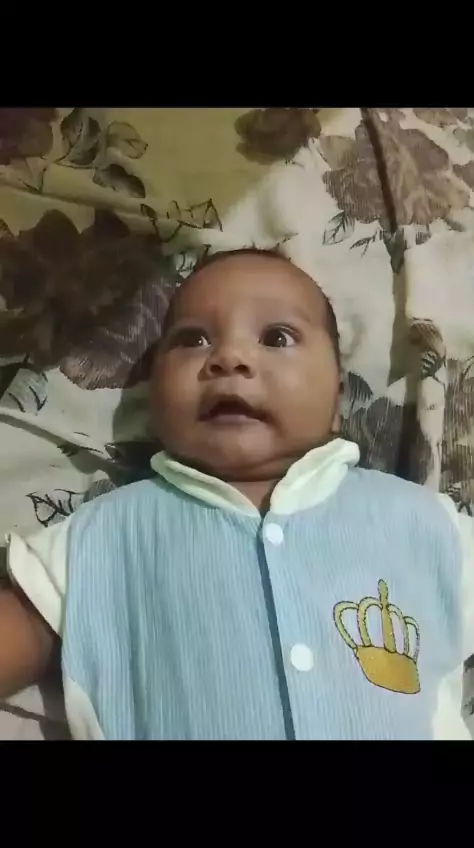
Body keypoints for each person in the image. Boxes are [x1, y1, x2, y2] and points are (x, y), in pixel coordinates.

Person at [2, 248, 474, 740]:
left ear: (338, 395)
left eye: (277, 337)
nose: (229, 357)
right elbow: (23, 628)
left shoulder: (420, 520)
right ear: (154, 391)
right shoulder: (104, 534)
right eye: (193, 339)